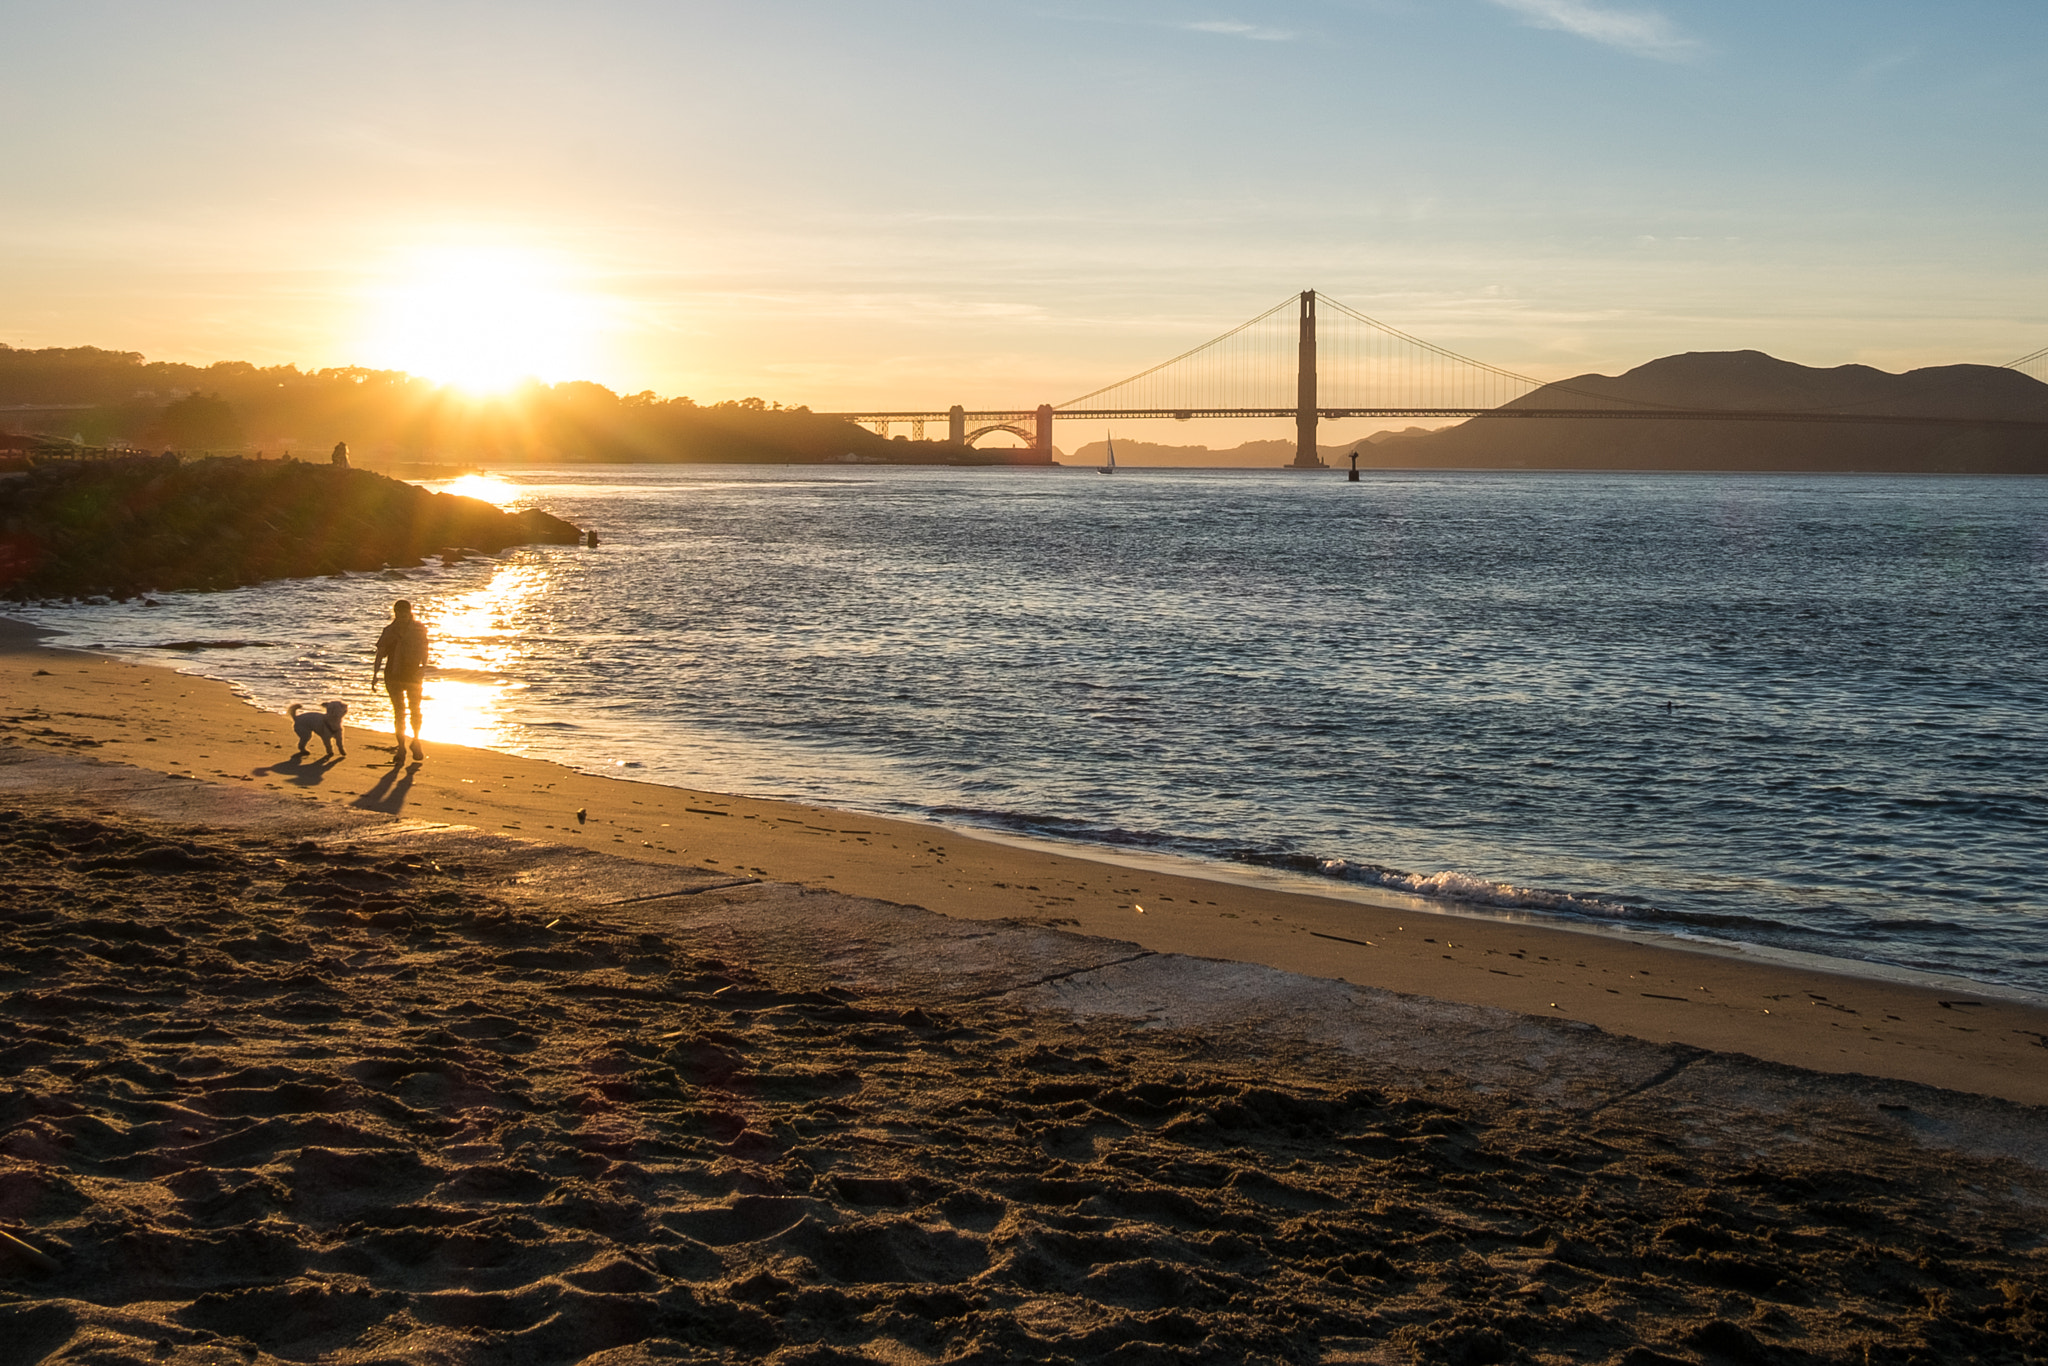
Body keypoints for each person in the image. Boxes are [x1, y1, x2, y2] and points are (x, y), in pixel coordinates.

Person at [371, 600, 429, 761]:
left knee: (415, 710)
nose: (401, 616)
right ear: (395, 613)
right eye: (398, 612)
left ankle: (416, 741)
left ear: (410, 612)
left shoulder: (419, 629)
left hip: (412, 675)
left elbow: (425, 651)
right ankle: (401, 747)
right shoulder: (389, 631)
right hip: (393, 675)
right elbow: (380, 653)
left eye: (404, 612)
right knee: (399, 712)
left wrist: (422, 669)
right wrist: (374, 675)